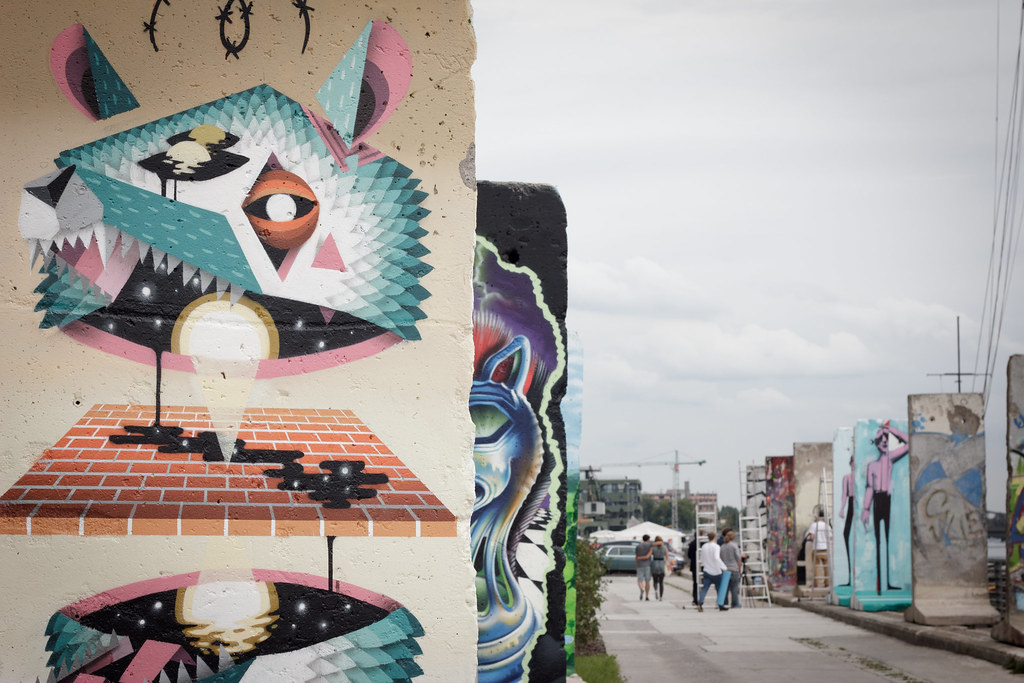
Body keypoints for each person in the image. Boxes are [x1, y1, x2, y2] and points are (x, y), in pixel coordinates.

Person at [861, 421, 908, 594]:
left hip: (887, 500)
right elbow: (869, 488)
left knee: (887, 539)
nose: (885, 442)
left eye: (887, 439)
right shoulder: (872, 466)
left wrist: (892, 430)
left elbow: (909, 443)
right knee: (878, 540)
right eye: (881, 439)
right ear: (876, 443)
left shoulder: (890, 458)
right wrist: (865, 509)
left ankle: (887, 582)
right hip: (877, 500)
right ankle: (879, 583)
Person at [696, 530, 729, 612]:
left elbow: (702, 559)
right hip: (716, 571)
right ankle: (721, 605)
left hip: (707, 570)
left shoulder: (704, 546)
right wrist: (724, 567)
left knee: (704, 588)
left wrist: (704, 564)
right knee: (719, 588)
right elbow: (716, 558)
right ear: (715, 537)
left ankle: (700, 602)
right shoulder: (716, 546)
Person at [837, 452, 855, 587]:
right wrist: (842, 509)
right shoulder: (847, 478)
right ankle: (850, 576)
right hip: (851, 503)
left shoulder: (861, 477)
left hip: (860, 504)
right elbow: (844, 494)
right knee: (846, 534)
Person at [806, 510, 832, 588]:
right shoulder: (827, 526)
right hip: (825, 549)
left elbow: (811, 537)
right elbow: (830, 537)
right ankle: (827, 583)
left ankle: (815, 583)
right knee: (826, 566)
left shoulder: (814, 525)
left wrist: (811, 539)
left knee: (815, 567)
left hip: (816, 548)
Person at [719, 530, 744, 608]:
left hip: (725, 570)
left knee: (725, 589)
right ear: (733, 537)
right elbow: (738, 559)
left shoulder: (722, 547)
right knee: (734, 588)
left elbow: (720, 558)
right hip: (734, 570)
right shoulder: (734, 546)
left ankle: (725, 603)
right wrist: (739, 569)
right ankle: (735, 604)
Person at [635, 534, 653, 601]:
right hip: (647, 565)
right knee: (647, 581)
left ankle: (641, 589)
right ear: (648, 539)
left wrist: (637, 564)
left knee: (639, 580)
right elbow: (648, 556)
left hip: (639, 565)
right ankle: (647, 596)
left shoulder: (638, 546)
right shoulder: (650, 545)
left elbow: (636, 557)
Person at [650, 535, 668, 601]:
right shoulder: (665, 548)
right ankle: (661, 597)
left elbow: (650, 554)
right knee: (661, 582)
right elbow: (667, 557)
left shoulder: (653, 548)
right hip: (662, 564)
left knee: (655, 580)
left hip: (655, 563)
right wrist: (668, 565)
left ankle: (656, 590)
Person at [687, 535, 698, 604]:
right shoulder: (703, 544)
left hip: (693, 565)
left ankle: (695, 598)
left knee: (695, 583)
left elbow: (689, 555)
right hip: (701, 565)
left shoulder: (692, 544)